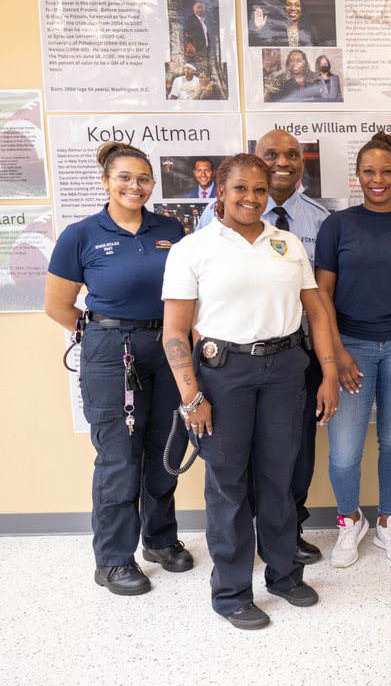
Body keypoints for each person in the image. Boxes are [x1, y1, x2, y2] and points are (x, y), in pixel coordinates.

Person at [160, 153, 339, 629]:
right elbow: (175, 332)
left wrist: (328, 373)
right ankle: (232, 592)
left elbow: (317, 313)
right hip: (223, 374)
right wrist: (192, 396)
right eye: (241, 188)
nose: (251, 198)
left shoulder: (288, 245)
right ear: (221, 190)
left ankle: (284, 575)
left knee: (279, 482)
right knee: (229, 487)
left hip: (284, 370)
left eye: (260, 189)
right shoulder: (193, 249)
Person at [44, 142, 191, 596]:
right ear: (106, 181)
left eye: (143, 178)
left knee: (167, 447)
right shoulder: (81, 235)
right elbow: (57, 306)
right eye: (124, 177)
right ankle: (112, 560)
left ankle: (160, 541)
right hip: (112, 352)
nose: (135, 185)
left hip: (168, 346)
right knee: (119, 458)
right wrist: (106, 336)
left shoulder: (171, 228)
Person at [197, 129, 332, 564]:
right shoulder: (207, 226)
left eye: (292, 155)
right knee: (233, 459)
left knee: (293, 453)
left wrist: (329, 364)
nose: (282, 162)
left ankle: (286, 534)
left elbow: (321, 300)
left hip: (296, 355)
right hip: (230, 361)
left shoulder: (315, 221)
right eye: (271, 154)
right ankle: (242, 545)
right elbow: (195, 300)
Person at [315, 132, 391, 567]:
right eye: (369, 171)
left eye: (386, 171)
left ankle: (388, 522)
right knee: (345, 450)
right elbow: (322, 296)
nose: (378, 179)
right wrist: (338, 352)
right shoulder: (338, 226)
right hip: (350, 346)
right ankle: (350, 522)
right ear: (358, 176)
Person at [250, 0, 326, 47]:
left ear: (301, 10)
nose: (293, 8)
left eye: (297, 5)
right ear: (282, 9)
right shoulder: (274, 31)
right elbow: (257, 51)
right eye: (288, 5)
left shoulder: (311, 31)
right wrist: (258, 29)